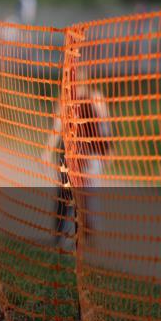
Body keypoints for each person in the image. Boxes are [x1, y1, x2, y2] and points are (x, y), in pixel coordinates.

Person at [42, 68, 112, 250]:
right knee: (70, 194)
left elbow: (104, 129)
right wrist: (48, 150)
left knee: (85, 196)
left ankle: (86, 236)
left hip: (90, 156)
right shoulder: (68, 100)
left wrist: (106, 151)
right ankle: (67, 236)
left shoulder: (94, 99)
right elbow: (58, 126)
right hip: (74, 156)